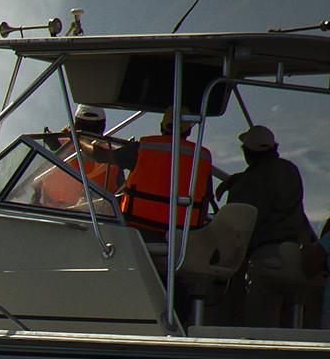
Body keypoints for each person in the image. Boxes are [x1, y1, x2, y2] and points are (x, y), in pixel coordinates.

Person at [118, 108, 215, 236]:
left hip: (137, 230)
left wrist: (84, 144)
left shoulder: (142, 148)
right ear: (188, 131)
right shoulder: (202, 157)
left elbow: (101, 155)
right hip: (182, 236)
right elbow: (207, 196)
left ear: (161, 126)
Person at [218, 124, 312, 254]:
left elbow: (238, 227)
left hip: (263, 254)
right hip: (295, 251)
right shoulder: (289, 169)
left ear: (247, 153)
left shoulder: (250, 182)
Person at [31, 105, 123, 208]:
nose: (88, 131)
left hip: (91, 217)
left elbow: (120, 195)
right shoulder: (54, 145)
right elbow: (34, 183)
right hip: (47, 213)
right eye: (84, 126)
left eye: (94, 127)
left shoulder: (114, 155)